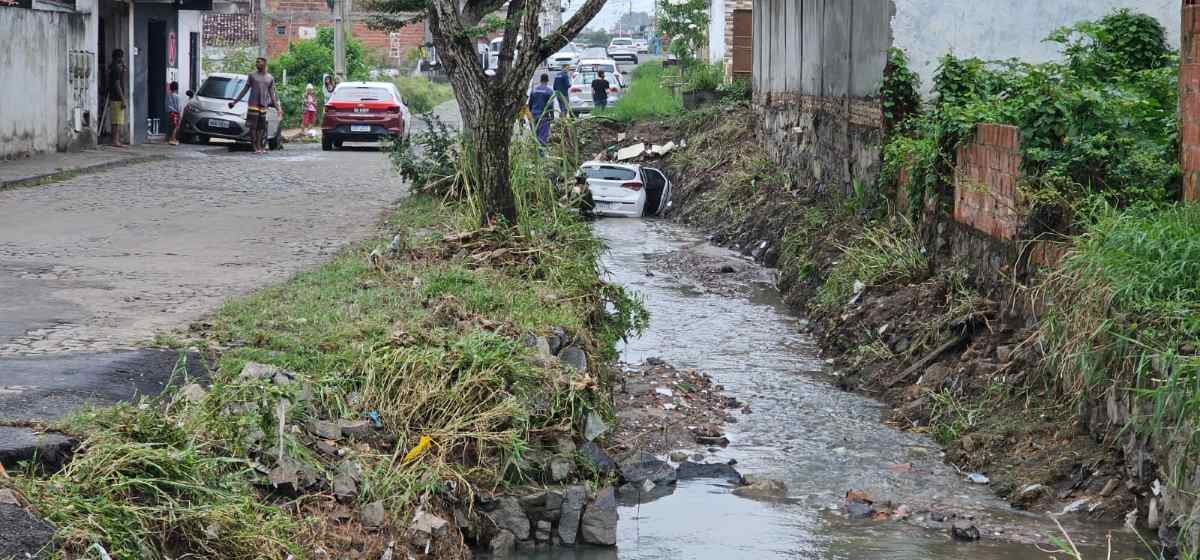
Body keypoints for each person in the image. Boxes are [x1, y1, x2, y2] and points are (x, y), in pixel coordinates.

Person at [229, 57, 280, 154]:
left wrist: (278, 108)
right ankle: (254, 147)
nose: (257, 64)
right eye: (256, 62)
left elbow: (272, 94)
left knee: (261, 128)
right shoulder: (252, 75)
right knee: (253, 127)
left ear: (264, 64)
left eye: (259, 62)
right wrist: (235, 102)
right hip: (253, 104)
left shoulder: (270, 78)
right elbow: (245, 89)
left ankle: (260, 146)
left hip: (263, 105)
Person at [108, 49, 128, 148]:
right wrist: (123, 98)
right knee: (117, 121)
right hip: (117, 97)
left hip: (114, 96)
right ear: (120, 57)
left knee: (116, 120)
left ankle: (115, 140)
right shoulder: (116, 68)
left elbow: (121, 80)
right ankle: (115, 141)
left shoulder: (112, 67)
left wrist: (123, 70)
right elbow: (117, 84)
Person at [528, 73, 555, 146]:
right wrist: (552, 116)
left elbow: (530, 105)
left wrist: (530, 115)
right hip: (543, 117)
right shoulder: (549, 91)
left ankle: (536, 154)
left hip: (533, 116)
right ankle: (542, 155)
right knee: (542, 138)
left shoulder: (534, 91)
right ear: (547, 81)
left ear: (540, 80)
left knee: (535, 137)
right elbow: (550, 106)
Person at [166, 81, 181, 146]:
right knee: (175, 127)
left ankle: (169, 138)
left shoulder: (168, 96)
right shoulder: (177, 97)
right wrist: (179, 114)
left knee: (170, 126)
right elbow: (179, 107)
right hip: (176, 113)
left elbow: (167, 105)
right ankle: (173, 139)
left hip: (170, 113)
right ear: (177, 88)